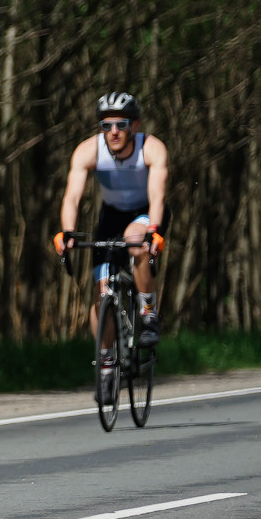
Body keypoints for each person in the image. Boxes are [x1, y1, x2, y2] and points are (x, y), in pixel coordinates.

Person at [53, 90, 170, 347]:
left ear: (135, 126)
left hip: (145, 211)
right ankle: (106, 367)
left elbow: (158, 196)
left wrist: (154, 230)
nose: (114, 131)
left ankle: (148, 312)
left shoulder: (151, 148)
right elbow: (72, 197)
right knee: (102, 291)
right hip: (111, 216)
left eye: (121, 124)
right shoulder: (87, 151)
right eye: (106, 125)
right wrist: (67, 232)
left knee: (135, 240)